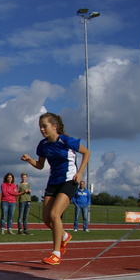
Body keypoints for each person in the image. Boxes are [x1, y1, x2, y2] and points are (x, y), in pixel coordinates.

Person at [21, 112, 89, 265]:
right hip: (53, 182)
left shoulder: (66, 141)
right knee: (46, 219)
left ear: (54, 126)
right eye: (40, 127)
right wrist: (29, 159)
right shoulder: (43, 145)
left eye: (44, 126)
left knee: (54, 214)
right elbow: (40, 166)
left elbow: (86, 153)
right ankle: (64, 236)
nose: (42, 130)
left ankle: (56, 253)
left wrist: (80, 173)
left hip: (69, 181)